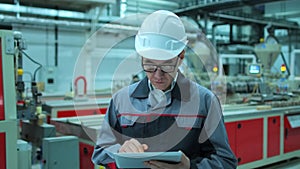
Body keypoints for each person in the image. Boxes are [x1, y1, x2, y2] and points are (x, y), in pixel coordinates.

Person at [92, 10, 237, 169]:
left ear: (181, 57)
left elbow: (226, 161)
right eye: (149, 65)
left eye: (166, 65)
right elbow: (100, 152)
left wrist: (190, 167)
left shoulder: (205, 101)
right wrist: (119, 150)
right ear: (141, 58)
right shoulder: (121, 100)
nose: (157, 75)